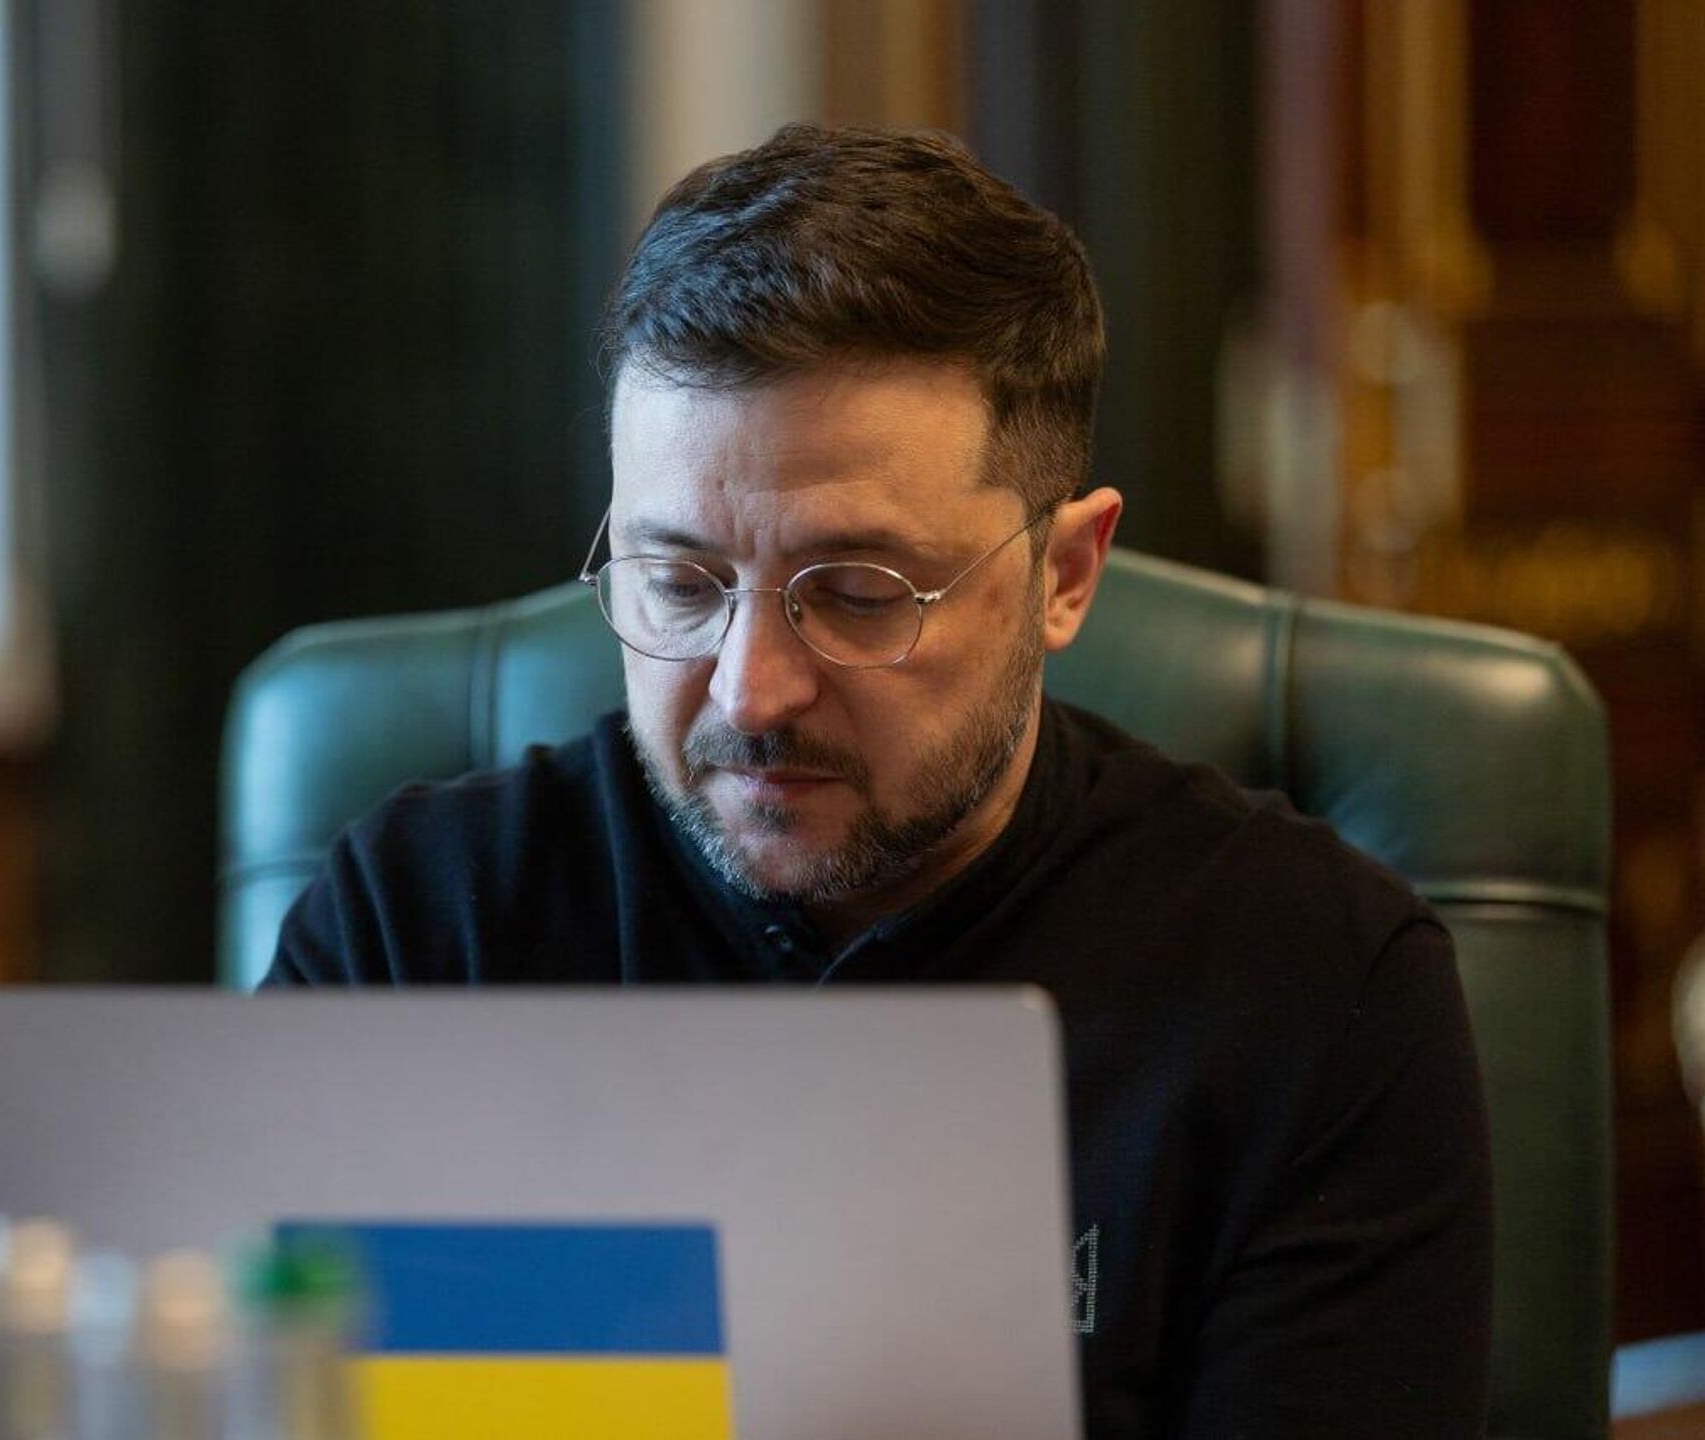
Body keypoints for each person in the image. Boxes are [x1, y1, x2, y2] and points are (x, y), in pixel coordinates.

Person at [264, 124, 1492, 1438]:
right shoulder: (419, 928)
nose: (750, 693)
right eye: (680, 584)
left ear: (1065, 574)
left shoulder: (1315, 981)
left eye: (856, 594)